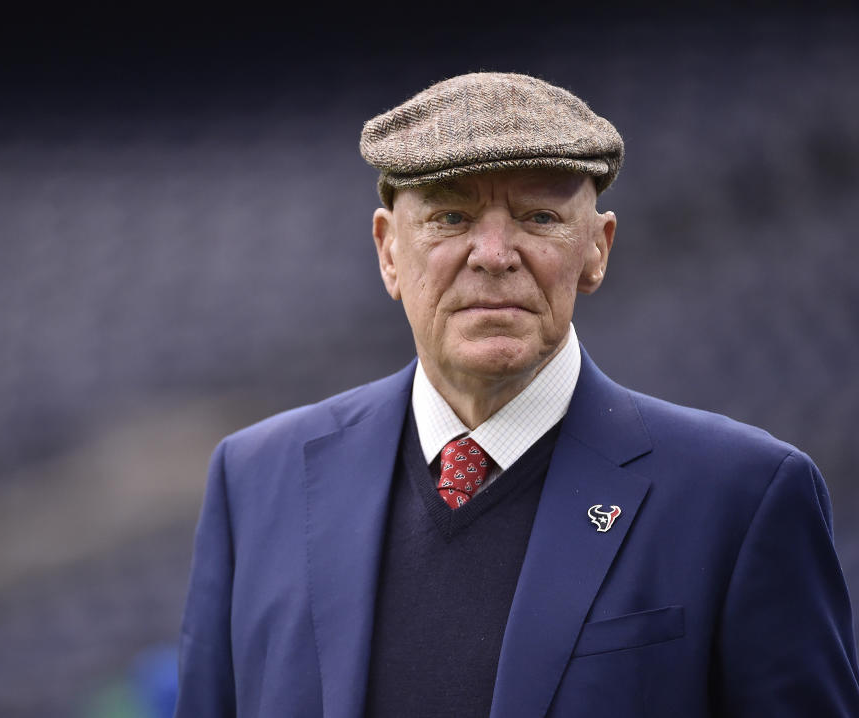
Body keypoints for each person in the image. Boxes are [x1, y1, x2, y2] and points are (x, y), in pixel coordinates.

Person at [173, 72, 859, 717]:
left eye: (537, 217)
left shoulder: (743, 497)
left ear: (597, 249)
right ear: (388, 252)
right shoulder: (255, 479)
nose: (494, 253)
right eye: (449, 217)